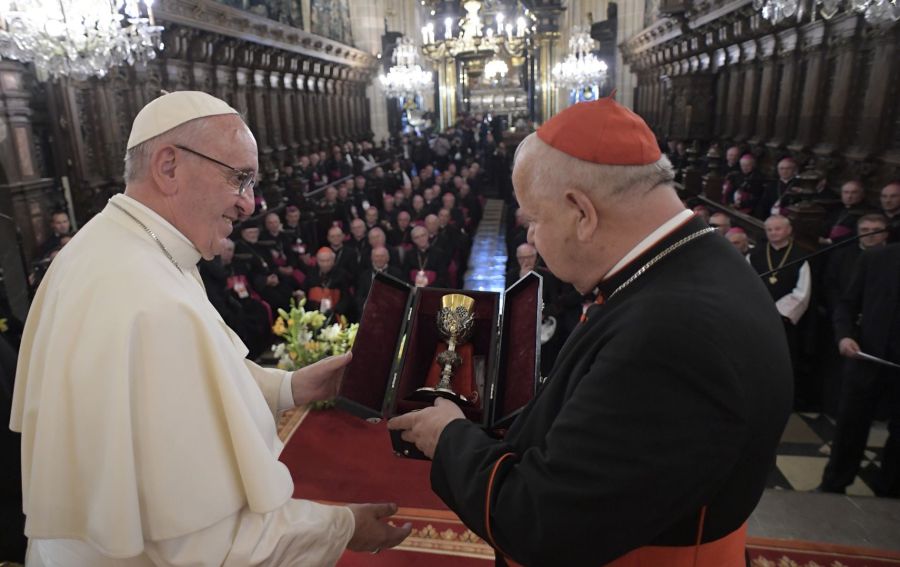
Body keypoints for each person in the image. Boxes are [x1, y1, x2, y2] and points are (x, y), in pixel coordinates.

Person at [388, 95, 792, 566]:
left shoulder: (673, 336)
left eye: (536, 219)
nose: (532, 237)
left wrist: (450, 438)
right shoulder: (698, 260)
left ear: (583, 212)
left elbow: (542, 522)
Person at [10, 91, 410, 566]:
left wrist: (289, 386)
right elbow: (212, 548)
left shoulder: (108, 249)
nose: (250, 203)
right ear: (169, 167)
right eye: (239, 178)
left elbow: (189, 381)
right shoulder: (148, 295)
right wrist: (343, 525)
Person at [819, 243, 900, 497]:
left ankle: (890, 489)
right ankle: (835, 483)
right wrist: (844, 336)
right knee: (850, 426)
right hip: (867, 355)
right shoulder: (876, 257)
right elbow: (847, 304)